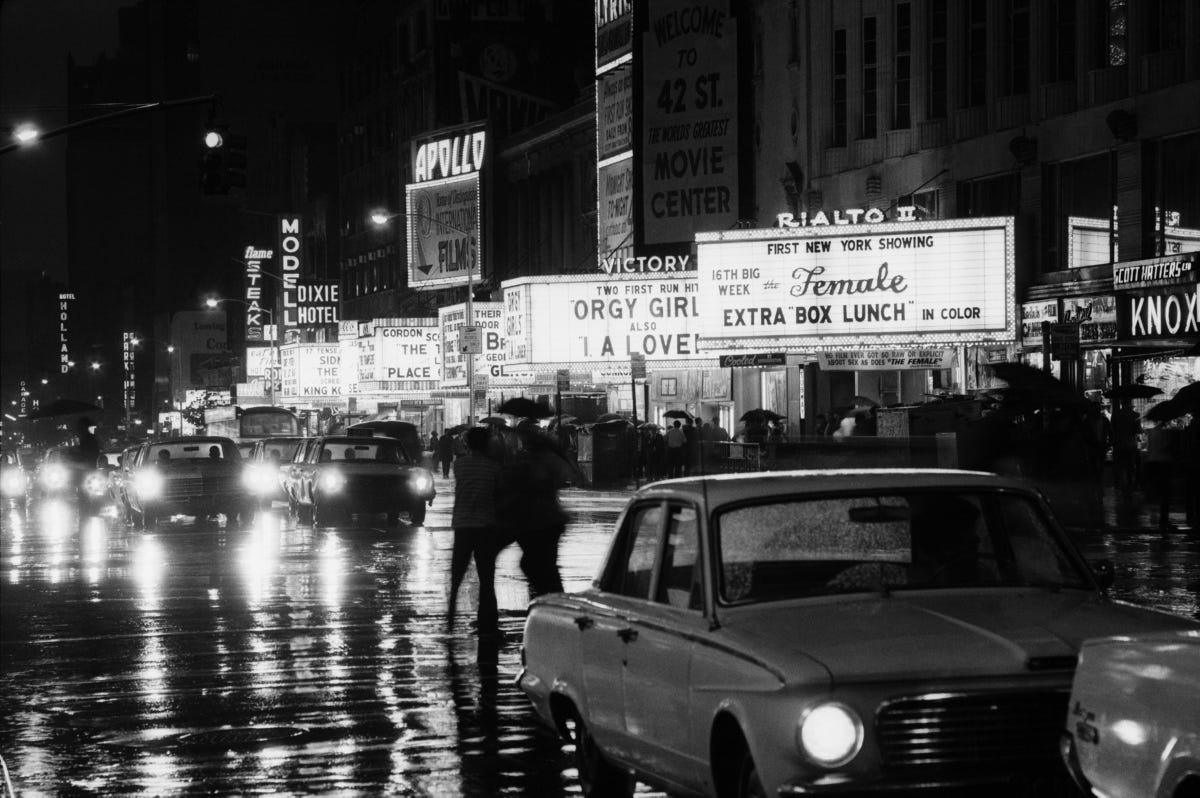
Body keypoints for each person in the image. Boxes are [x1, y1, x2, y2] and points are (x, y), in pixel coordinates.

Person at [497, 431, 578, 599]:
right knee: (542, 564)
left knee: (538, 564)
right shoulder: (541, 460)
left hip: (541, 520)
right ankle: (549, 597)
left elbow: (540, 485)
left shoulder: (543, 461)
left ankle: (552, 599)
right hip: (543, 521)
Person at [448, 427, 502, 637]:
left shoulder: (458, 465)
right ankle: (488, 623)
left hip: (462, 526)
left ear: (467, 444)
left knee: (456, 578)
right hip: (486, 528)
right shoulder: (494, 468)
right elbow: (498, 495)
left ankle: (450, 623)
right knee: (487, 580)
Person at [1143, 419, 1176, 530]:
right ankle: (1163, 520)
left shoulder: (1151, 432)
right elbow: (1167, 448)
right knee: (1166, 493)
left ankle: (1159, 518)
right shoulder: (1166, 433)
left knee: (1157, 490)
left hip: (1151, 462)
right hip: (1163, 463)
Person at [1110, 401, 1141, 493]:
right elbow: (1137, 430)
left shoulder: (1116, 414)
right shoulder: (1136, 415)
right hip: (1131, 444)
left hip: (1119, 444)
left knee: (1121, 466)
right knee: (1131, 465)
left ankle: (1123, 485)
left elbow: (1112, 430)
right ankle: (1130, 484)